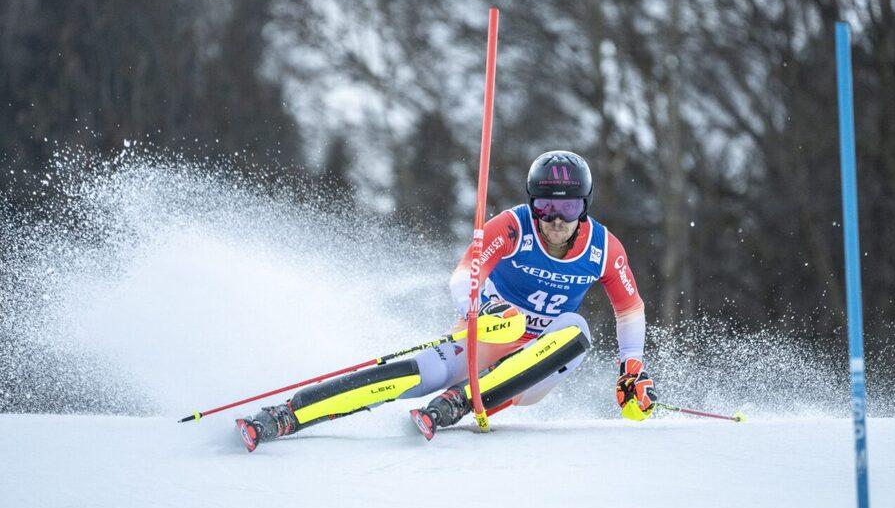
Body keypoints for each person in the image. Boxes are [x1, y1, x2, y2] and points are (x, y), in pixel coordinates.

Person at [235, 150, 657, 452]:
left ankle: (460, 401)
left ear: (584, 207)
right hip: (489, 335)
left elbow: (630, 308)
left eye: (567, 207)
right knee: (407, 373)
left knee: (577, 330)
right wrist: (482, 305)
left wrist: (631, 369)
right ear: (532, 202)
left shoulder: (604, 249)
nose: (556, 219)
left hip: (537, 364)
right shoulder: (511, 227)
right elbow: (462, 277)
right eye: (545, 205)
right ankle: (287, 415)